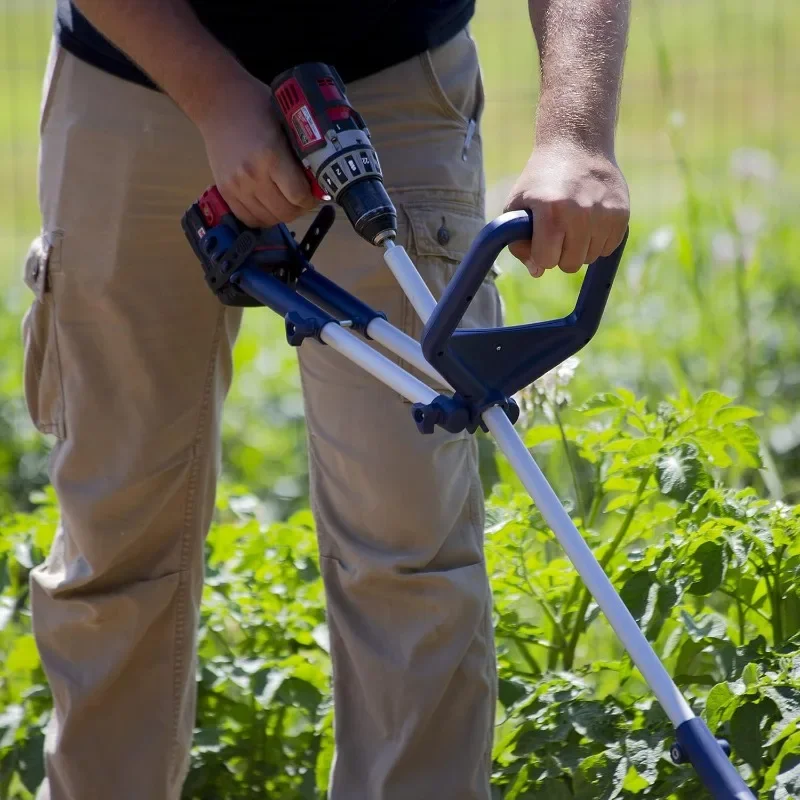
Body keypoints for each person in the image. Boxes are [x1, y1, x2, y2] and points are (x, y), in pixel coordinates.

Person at [22, 1, 630, 798]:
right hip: (137, 75)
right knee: (117, 548)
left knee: (410, 554)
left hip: (389, 77)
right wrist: (213, 94)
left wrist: (575, 134)